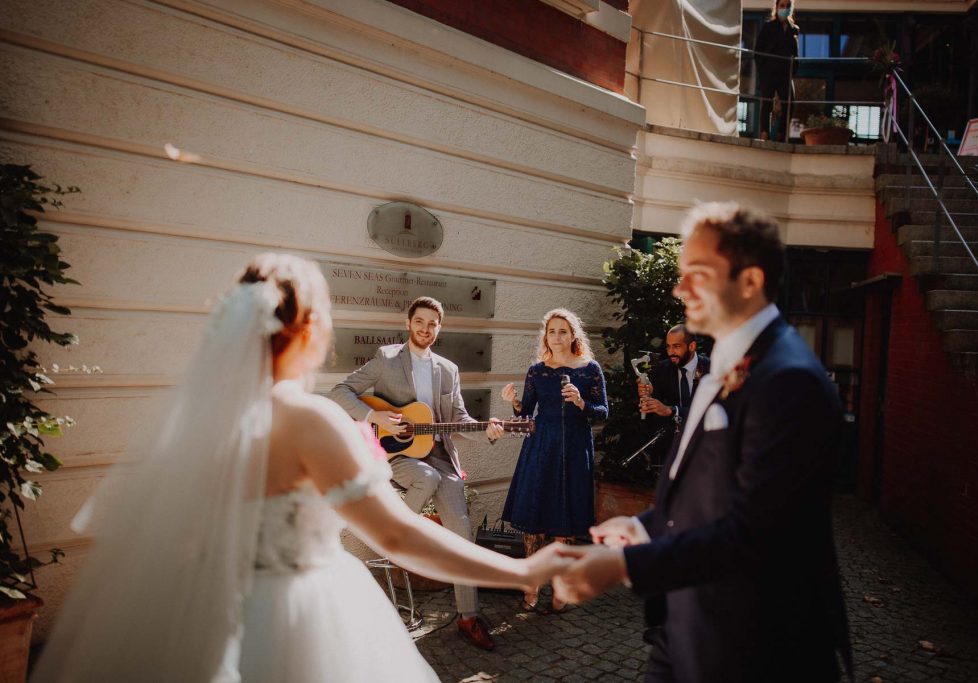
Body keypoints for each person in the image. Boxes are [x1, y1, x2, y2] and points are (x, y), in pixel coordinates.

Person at [32, 254, 573, 682]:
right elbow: (397, 535)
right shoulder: (308, 420)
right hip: (299, 621)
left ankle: (468, 613)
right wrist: (522, 572)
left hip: (200, 617)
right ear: (310, 329)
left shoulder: (194, 424)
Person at [553, 203, 852, 682]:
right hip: (683, 623)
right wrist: (644, 526)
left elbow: (758, 536)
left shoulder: (790, 381)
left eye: (698, 273)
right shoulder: (723, 363)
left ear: (750, 281)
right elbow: (704, 491)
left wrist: (622, 565)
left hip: (753, 644)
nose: (680, 288)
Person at [330, 296, 503, 650]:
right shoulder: (387, 359)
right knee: (427, 478)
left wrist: (487, 430)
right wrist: (374, 416)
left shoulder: (448, 369)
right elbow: (340, 391)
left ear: (440, 328)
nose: (426, 329)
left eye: (432, 324)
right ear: (408, 323)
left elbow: (460, 419)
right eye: (420, 322)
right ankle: (395, 535)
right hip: (398, 456)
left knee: (462, 534)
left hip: (440, 456)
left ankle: (468, 617)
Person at [499, 309, 607, 613]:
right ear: (545, 337)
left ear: (573, 336)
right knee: (535, 515)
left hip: (575, 447)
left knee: (566, 518)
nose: (557, 337)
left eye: (563, 331)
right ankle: (531, 585)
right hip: (541, 446)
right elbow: (525, 413)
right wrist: (514, 401)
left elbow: (602, 412)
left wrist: (582, 402)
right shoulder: (537, 371)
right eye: (552, 331)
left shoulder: (590, 369)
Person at [637, 324, 710, 466]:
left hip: (705, 446)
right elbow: (652, 411)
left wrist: (672, 410)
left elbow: (711, 411)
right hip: (671, 450)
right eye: (668, 347)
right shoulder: (662, 369)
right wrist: (647, 395)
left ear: (692, 346)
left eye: (676, 346)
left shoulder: (711, 369)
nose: (671, 352)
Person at [754, 0, 799, 142]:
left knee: (790, 102)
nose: (785, 9)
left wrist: (793, 70)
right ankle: (764, 133)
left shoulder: (793, 29)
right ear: (777, 7)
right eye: (782, 6)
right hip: (770, 71)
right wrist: (763, 71)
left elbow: (795, 54)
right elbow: (758, 51)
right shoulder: (768, 27)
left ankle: (781, 134)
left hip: (785, 73)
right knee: (767, 102)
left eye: (788, 6)